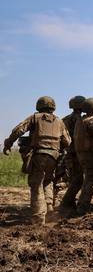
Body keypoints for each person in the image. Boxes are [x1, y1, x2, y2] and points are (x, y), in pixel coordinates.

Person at [3, 96, 71, 224]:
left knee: (36, 184)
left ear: (39, 106)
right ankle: (49, 208)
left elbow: (19, 130)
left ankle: (39, 217)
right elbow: (67, 141)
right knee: (48, 181)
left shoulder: (35, 117)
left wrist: (8, 143)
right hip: (54, 157)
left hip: (39, 155)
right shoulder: (59, 121)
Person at [74, 97, 93, 215]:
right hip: (90, 155)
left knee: (87, 180)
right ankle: (83, 207)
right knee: (90, 181)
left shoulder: (80, 120)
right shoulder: (92, 121)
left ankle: (81, 204)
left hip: (81, 154)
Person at [59, 95, 86, 210]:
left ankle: (69, 203)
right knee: (78, 180)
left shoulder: (64, 119)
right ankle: (66, 203)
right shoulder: (80, 120)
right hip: (77, 153)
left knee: (74, 179)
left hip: (69, 153)